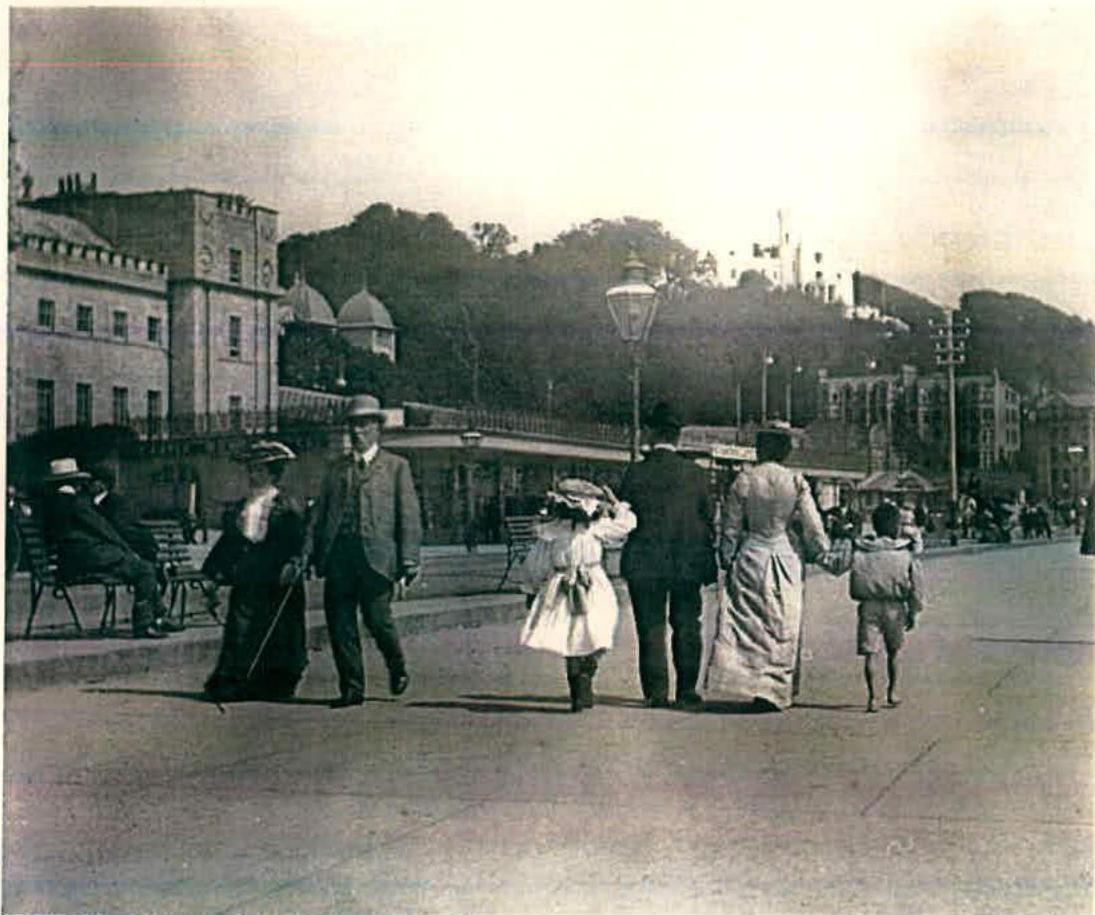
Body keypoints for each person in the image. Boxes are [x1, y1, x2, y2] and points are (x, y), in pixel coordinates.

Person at [306, 394, 423, 709]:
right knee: (340, 623)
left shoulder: (397, 467)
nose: (358, 432)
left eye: (364, 425)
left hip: (377, 557)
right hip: (339, 555)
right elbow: (319, 515)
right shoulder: (336, 469)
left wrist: (409, 559)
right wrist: (308, 552)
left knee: (377, 620)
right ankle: (351, 688)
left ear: (377, 428)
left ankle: (396, 664)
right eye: (353, 425)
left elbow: (409, 515)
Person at [704, 424, 830, 711]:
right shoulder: (796, 481)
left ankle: (752, 683)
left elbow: (731, 526)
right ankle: (776, 688)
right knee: (783, 621)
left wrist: (727, 556)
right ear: (785, 451)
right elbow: (813, 525)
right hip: (784, 554)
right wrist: (822, 551)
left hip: (752, 554)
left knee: (752, 623)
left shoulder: (745, 480)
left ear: (760, 449)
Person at [618, 402, 717, 711]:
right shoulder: (697, 475)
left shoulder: (634, 473)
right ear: (677, 436)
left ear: (649, 433)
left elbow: (623, 517)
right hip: (687, 562)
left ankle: (656, 692)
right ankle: (687, 690)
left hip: (644, 562)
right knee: (687, 624)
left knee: (650, 627)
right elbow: (708, 517)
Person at [202, 441, 308, 703]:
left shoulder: (287, 505)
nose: (253, 476)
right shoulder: (241, 507)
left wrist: (294, 563)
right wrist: (214, 575)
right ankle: (235, 682)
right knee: (241, 627)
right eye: (251, 470)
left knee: (278, 630)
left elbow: (298, 539)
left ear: (273, 474)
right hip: (248, 573)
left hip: (277, 574)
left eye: (259, 471)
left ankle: (276, 683)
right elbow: (230, 542)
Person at [517, 479, 636, 712]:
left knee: (586, 633)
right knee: (583, 635)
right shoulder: (563, 531)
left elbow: (535, 564)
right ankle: (582, 682)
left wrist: (531, 588)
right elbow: (626, 523)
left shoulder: (571, 530)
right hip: (578, 584)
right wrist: (617, 505)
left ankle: (583, 676)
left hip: (581, 583)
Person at [40, 457, 177, 639]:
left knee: (143, 567)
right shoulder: (76, 503)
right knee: (145, 569)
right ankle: (145, 623)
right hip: (86, 559)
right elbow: (104, 531)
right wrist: (127, 551)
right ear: (73, 481)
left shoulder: (52, 502)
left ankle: (159, 615)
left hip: (72, 559)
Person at [823, 502, 926, 713]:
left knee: (870, 653)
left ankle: (873, 697)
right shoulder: (905, 554)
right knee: (894, 652)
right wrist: (914, 611)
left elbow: (837, 565)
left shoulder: (862, 550)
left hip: (868, 606)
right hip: (895, 607)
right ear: (896, 527)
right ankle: (893, 692)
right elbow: (917, 586)